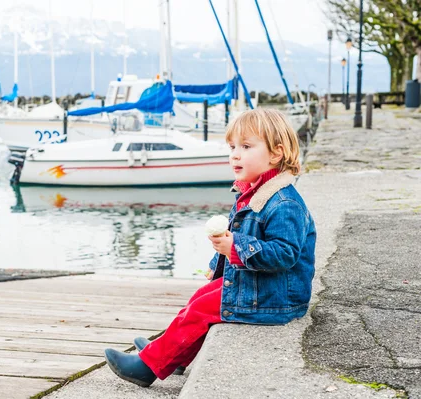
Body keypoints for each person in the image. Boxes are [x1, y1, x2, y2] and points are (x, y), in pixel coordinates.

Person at [103, 108, 317, 387]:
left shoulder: (283, 203)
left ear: (275, 154)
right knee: (200, 297)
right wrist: (217, 261)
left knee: (203, 308)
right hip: (261, 286)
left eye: (246, 147)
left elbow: (285, 254)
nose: (235, 154)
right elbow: (237, 236)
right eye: (232, 147)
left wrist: (235, 248)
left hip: (276, 298)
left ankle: (149, 366)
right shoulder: (251, 191)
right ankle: (174, 355)